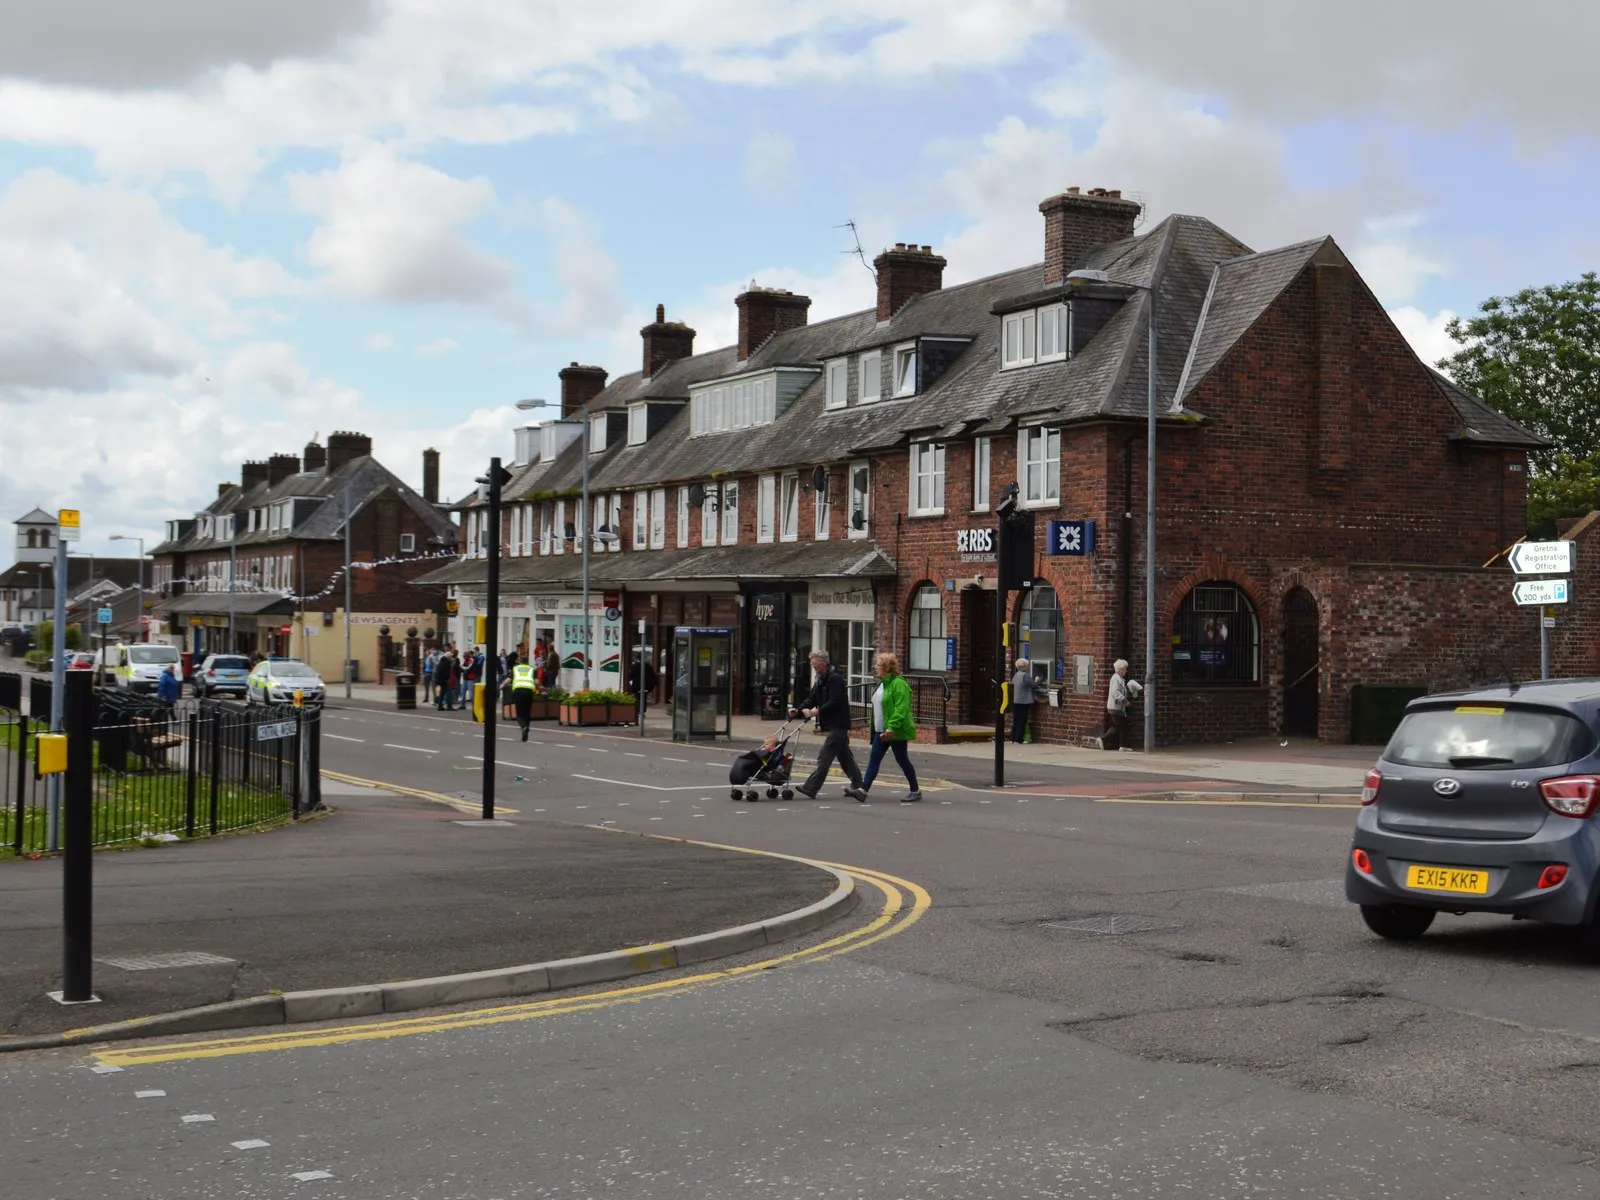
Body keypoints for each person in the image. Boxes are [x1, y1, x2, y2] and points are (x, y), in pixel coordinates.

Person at [846, 652, 920, 803]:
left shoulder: (899, 684)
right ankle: (863, 790)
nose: (876, 668)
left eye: (878, 665)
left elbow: (901, 708)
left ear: (887, 667)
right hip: (881, 730)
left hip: (895, 731)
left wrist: (892, 727)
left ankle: (915, 790)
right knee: (874, 760)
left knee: (902, 760)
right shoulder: (881, 683)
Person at [790, 650, 863, 801]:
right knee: (844, 757)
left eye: (814, 661)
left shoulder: (834, 678)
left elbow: (835, 700)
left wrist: (818, 711)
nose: (811, 664)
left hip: (838, 723)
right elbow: (812, 698)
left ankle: (811, 787)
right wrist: (798, 710)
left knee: (825, 756)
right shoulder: (820, 678)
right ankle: (859, 785)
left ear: (824, 662)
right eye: (811, 661)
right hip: (832, 724)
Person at [1104, 658, 1142, 751]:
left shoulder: (1119, 679)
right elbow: (1115, 692)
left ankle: (1120, 745)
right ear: (1120, 669)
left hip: (1117, 707)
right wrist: (1125, 701)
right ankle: (1106, 741)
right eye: (1125, 669)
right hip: (1116, 707)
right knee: (1121, 726)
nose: (1126, 671)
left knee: (1118, 726)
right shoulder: (1116, 679)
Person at [510, 651, 537, 740]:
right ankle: (526, 733)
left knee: (519, 714)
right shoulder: (532, 669)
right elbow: (537, 682)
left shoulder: (515, 668)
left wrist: (501, 685)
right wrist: (542, 688)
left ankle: (524, 727)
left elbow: (509, 679)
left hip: (518, 692)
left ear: (520, 661)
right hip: (529, 692)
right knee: (527, 713)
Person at [1010, 657, 1035, 744]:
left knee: (1016, 720)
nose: (1028, 668)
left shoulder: (1016, 675)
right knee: (1022, 720)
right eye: (1027, 666)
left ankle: (1013, 738)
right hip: (1024, 701)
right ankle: (1018, 739)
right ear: (1024, 667)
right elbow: (1033, 684)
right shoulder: (1025, 675)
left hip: (1016, 700)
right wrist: (1037, 681)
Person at [632, 649, 657, 716]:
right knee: (644, 699)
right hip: (645, 686)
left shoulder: (634, 666)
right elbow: (653, 676)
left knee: (637, 699)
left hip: (636, 686)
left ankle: (637, 711)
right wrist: (653, 685)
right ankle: (642, 712)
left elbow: (630, 675)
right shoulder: (648, 666)